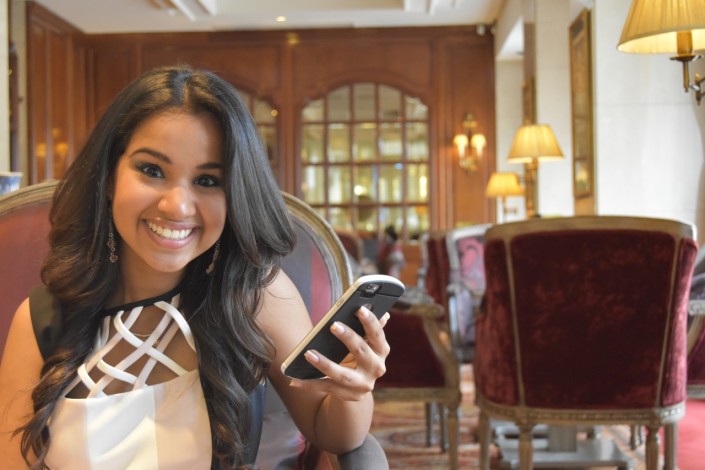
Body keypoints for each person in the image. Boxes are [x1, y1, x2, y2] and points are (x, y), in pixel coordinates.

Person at [0, 66, 390, 469]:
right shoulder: (41, 321)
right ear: (110, 176)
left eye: (207, 181)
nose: (176, 206)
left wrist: (353, 390)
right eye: (152, 170)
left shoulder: (255, 297)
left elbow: (333, 434)